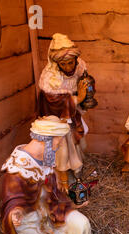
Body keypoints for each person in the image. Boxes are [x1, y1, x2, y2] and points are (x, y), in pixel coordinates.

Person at [1, 116, 91, 234]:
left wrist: (72, 204)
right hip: (28, 224)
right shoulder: (18, 168)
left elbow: (54, 194)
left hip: (51, 213)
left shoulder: (45, 159)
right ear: (46, 141)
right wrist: (16, 212)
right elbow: (12, 201)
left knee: (82, 224)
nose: (58, 147)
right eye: (57, 143)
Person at [38, 33, 91, 192]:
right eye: (64, 64)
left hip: (72, 114)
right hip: (56, 121)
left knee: (79, 142)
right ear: (56, 63)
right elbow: (55, 103)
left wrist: (87, 93)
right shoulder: (49, 78)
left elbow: (85, 81)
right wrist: (78, 98)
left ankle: (75, 173)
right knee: (62, 148)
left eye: (70, 63)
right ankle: (62, 180)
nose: (68, 67)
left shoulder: (79, 66)